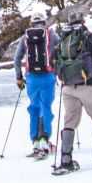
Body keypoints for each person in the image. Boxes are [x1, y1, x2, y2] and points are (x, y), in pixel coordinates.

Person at [50, 8, 92, 173]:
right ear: (83, 22)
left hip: (68, 87)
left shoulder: (62, 40)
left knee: (70, 122)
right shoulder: (91, 38)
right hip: (89, 85)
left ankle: (66, 159)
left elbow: (52, 63)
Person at [14, 15, 58, 158]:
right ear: (44, 23)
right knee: (46, 107)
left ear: (31, 23)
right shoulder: (51, 34)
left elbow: (17, 58)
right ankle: (44, 139)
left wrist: (19, 77)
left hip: (32, 78)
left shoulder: (25, 37)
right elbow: (61, 50)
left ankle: (35, 141)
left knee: (34, 108)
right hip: (47, 76)